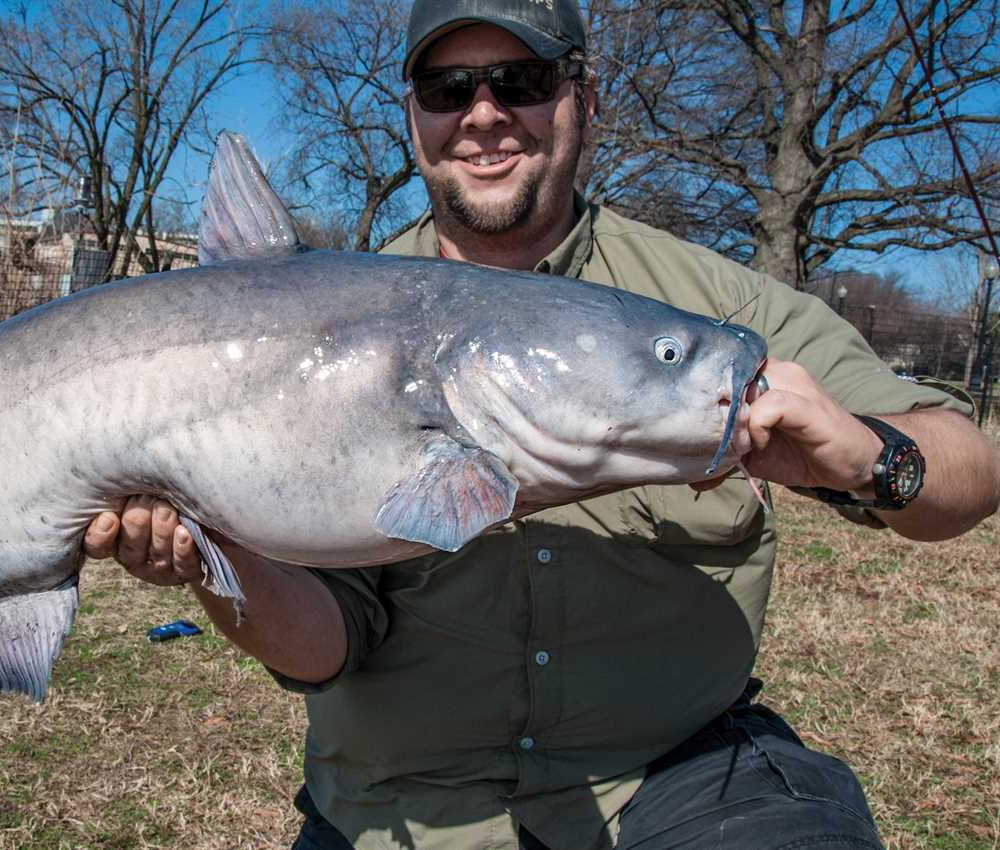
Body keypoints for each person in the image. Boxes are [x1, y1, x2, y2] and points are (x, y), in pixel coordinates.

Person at [84, 1, 1000, 847]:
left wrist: (875, 462)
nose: (483, 114)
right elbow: (324, 647)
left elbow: (968, 467)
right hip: (403, 803)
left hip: (679, 778)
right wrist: (215, 559)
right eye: (449, 89)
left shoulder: (712, 311)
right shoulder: (321, 332)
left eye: (518, 81)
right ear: (416, 116)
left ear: (582, 100)